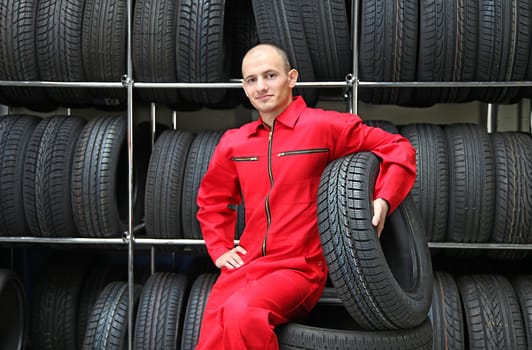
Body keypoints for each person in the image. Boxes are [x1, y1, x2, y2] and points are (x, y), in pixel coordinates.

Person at [195, 43, 416, 349]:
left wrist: (384, 198)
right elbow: (212, 199)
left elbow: (397, 148)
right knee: (212, 333)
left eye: (270, 75)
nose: (260, 87)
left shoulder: (324, 126)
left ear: (292, 78)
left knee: (243, 313)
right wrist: (219, 248)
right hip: (247, 265)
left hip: (300, 268)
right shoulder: (235, 142)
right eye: (251, 80)